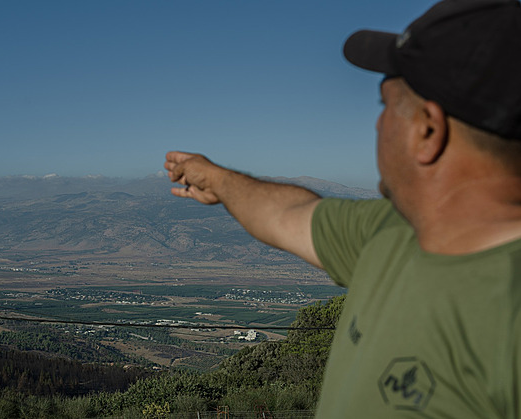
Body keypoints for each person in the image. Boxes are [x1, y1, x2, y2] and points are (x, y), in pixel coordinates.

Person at [166, 0, 521, 417]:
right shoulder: (391, 231)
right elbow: (287, 215)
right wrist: (219, 180)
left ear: (428, 130)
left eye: (385, 104)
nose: (376, 125)